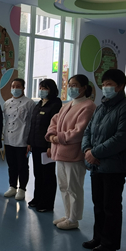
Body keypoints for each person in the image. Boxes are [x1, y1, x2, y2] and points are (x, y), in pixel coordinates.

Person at [81, 69, 126, 251]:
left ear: (120, 86)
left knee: (111, 206)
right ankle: (98, 237)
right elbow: (88, 131)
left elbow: (122, 138)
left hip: (114, 166)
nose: (105, 87)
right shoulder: (101, 107)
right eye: (104, 84)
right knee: (98, 204)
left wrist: (94, 152)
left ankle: (109, 243)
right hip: (97, 164)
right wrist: (87, 149)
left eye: (109, 84)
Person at [46, 74, 95, 230]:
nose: (71, 88)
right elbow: (54, 121)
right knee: (63, 186)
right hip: (60, 153)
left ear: (84, 88)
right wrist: (52, 135)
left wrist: (58, 137)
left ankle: (74, 219)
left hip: (74, 155)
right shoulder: (68, 105)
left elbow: (79, 131)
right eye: (70, 85)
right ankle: (68, 215)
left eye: (75, 85)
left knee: (74, 188)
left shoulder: (88, 106)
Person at [27, 79, 62, 212]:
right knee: (38, 173)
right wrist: (29, 142)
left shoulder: (55, 105)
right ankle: (37, 198)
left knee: (48, 175)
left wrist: (50, 145)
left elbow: (55, 127)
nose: (42, 90)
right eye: (41, 88)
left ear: (51, 90)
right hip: (36, 144)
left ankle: (47, 203)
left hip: (47, 146)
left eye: (45, 88)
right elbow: (33, 125)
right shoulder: (39, 104)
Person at [2, 78, 36, 200]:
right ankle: (12, 186)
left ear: (23, 88)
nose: (15, 89)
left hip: (22, 139)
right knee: (11, 164)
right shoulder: (7, 103)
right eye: (13, 86)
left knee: (22, 166)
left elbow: (33, 123)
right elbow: (6, 121)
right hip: (8, 139)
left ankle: (22, 188)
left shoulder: (29, 103)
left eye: (18, 86)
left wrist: (30, 141)